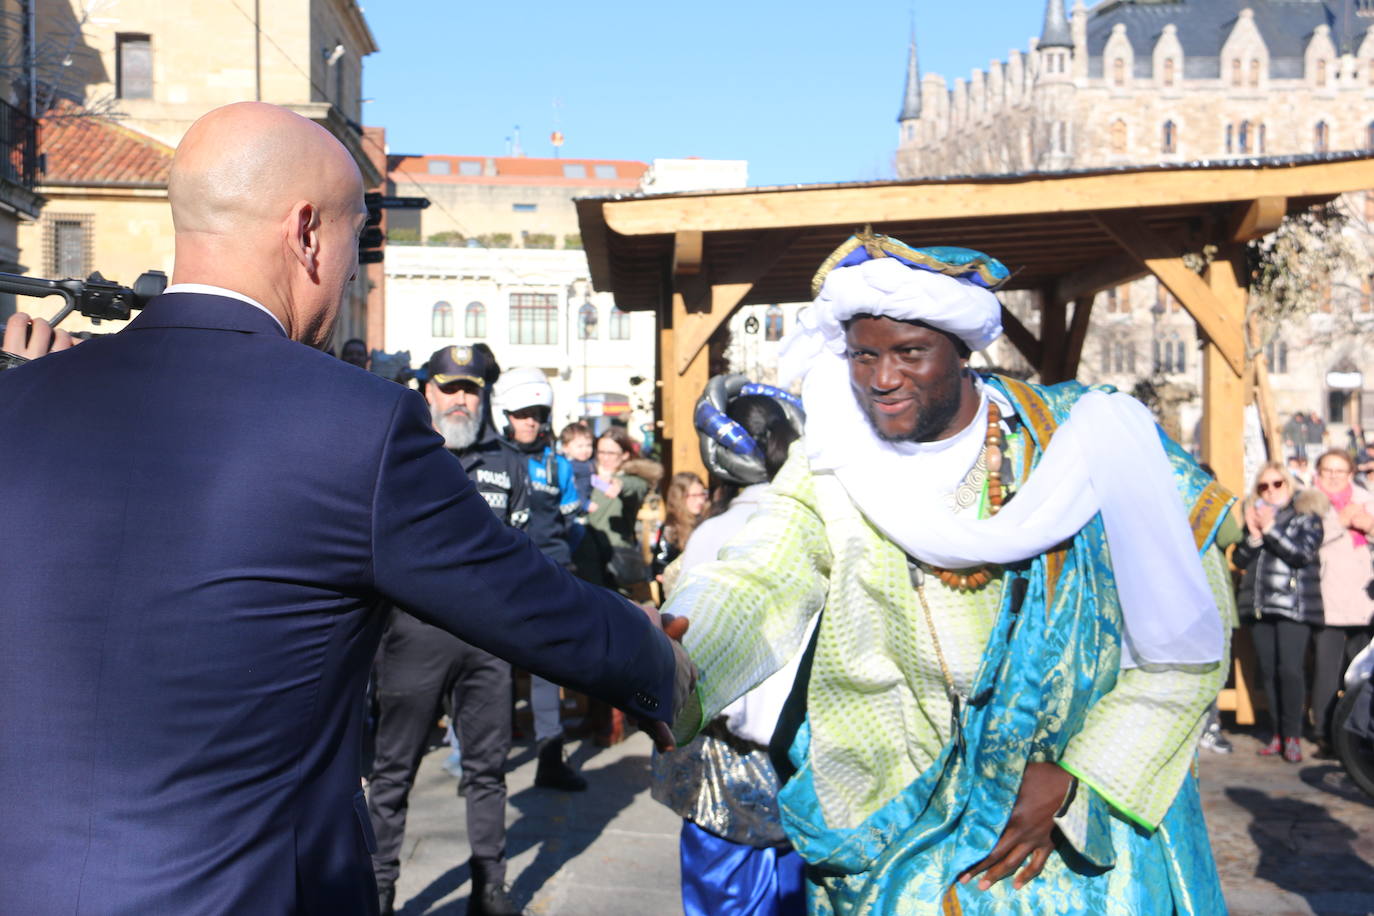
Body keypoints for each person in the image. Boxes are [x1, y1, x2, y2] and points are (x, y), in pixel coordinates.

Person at [0, 102, 688, 916]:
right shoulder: (355, 423)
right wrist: (659, 667)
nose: (355, 273)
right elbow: (521, 600)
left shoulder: (22, 399)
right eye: (357, 239)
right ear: (306, 233)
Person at [662, 232, 1237, 914]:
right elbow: (761, 579)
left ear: (961, 353)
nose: (881, 379)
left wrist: (1086, 778)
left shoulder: (1089, 441)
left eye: (910, 352)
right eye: (863, 355)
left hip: (1069, 851)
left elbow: (1193, 635)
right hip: (896, 839)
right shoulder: (836, 458)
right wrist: (668, 655)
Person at [366, 345, 536, 916]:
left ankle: (490, 888)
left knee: (488, 772)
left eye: (472, 390)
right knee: (393, 772)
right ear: (428, 392)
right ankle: (379, 888)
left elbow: (523, 555)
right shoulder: (401, 458)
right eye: (450, 388)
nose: (461, 400)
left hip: (488, 639)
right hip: (415, 636)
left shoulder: (508, 462)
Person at [652, 374, 807, 916]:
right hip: (802, 756)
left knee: (725, 898)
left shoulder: (716, 534)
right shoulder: (821, 527)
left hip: (725, 764)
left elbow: (689, 654)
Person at [492, 366, 588, 792]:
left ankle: (550, 757)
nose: (530, 420)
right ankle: (484, 764)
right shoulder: (488, 460)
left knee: (548, 671)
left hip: (548, 578)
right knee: (492, 671)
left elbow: (575, 525)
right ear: (505, 414)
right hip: (499, 581)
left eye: (537, 413)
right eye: (521, 413)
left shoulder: (558, 466)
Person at [1233, 462, 1326, 764]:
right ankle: (1276, 732)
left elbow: (1301, 554)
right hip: (1259, 605)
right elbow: (1241, 558)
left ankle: (1293, 735)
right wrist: (1255, 535)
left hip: (1292, 605)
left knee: (1290, 671)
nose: (1271, 491)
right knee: (1269, 672)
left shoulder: (1305, 516)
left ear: (1288, 485)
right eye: (1263, 486)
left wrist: (1271, 529)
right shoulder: (1255, 515)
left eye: (1277, 484)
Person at [1310, 449, 1374, 757]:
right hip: (1327, 600)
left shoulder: (1366, 498)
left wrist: (1369, 526)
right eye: (1328, 471)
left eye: (1340, 471)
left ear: (1351, 474)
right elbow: (1307, 542)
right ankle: (1324, 733)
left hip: (1363, 602)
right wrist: (1339, 522)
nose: (1334, 477)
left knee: (1359, 672)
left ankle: (1355, 733)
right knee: (1327, 671)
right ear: (1318, 473)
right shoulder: (1310, 501)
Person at [587, 425, 660, 596]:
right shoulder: (588, 473)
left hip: (615, 556)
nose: (604, 457)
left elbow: (634, 488)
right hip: (588, 551)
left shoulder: (634, 478)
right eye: (600, 452)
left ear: (625, 455)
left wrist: (618, 483)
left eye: (610, 453)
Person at [653, 471, 709, 581]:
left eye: (702, 494)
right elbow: (660, 569)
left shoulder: (706, 522)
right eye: (694, 495)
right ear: (679, 497)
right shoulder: (671, 528)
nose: (700, 500)